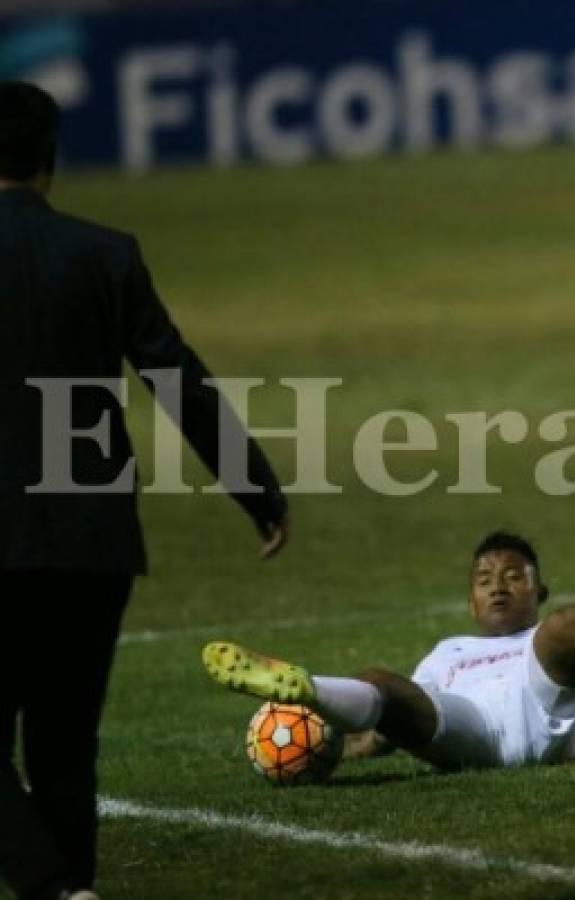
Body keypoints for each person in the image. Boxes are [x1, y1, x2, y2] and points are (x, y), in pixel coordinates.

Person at [0, 81, 289, 900]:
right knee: (65, 747)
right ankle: (71, 888)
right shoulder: (105, 253)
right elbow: (178, 381)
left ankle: (52, 887)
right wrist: (256, 489)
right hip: (93, 542)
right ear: (50, 159)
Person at [204, 531, 575, 770]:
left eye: (513, 577)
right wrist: (336, 751)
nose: (498, 586)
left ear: (536, 590)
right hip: (466, 731)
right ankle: (308, 688)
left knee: (574, 622)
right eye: (484, 579)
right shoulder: (448, 650)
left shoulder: (548, 639)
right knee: (381, 680)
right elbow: (401, 718)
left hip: (541, 707)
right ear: (472, 602)